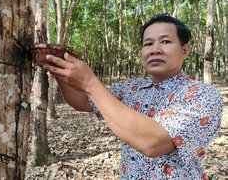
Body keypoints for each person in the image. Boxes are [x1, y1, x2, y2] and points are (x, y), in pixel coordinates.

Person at [43, 14, 223, 179]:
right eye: (148, 44)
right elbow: (82, 101)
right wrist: (60, 72)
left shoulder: (203, 95)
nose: (155, 50)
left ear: (185, 51)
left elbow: (154, 143)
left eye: (165, 41)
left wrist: (90, 82)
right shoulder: (130, 88)